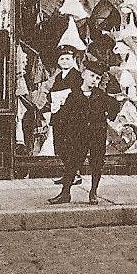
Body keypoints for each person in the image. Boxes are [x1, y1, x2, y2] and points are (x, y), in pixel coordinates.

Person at [48, 63, 121, 205]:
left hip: (97, 135)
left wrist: (108, 116)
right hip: (79, 135)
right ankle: (65, 193)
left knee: (97, 163)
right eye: (92, 76)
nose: (94, 80)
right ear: (83, 75)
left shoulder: (101, 96)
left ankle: (93, 192)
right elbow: (64, 115)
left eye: (98, 78)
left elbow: (114, 107)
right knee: (72, 163)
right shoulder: (74, 95)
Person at [49, 46, 83, 185]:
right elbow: (52, 92)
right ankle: (69, 174)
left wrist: (66, 98)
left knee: (70, 145)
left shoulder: (77, 76)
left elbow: (78, 94)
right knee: (60, 146)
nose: (64, 61)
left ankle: (75, 175)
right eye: (62, 59)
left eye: (68, 59)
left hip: (71, 116)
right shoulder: (58, 77)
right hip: (58, 115)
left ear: (73, 60)